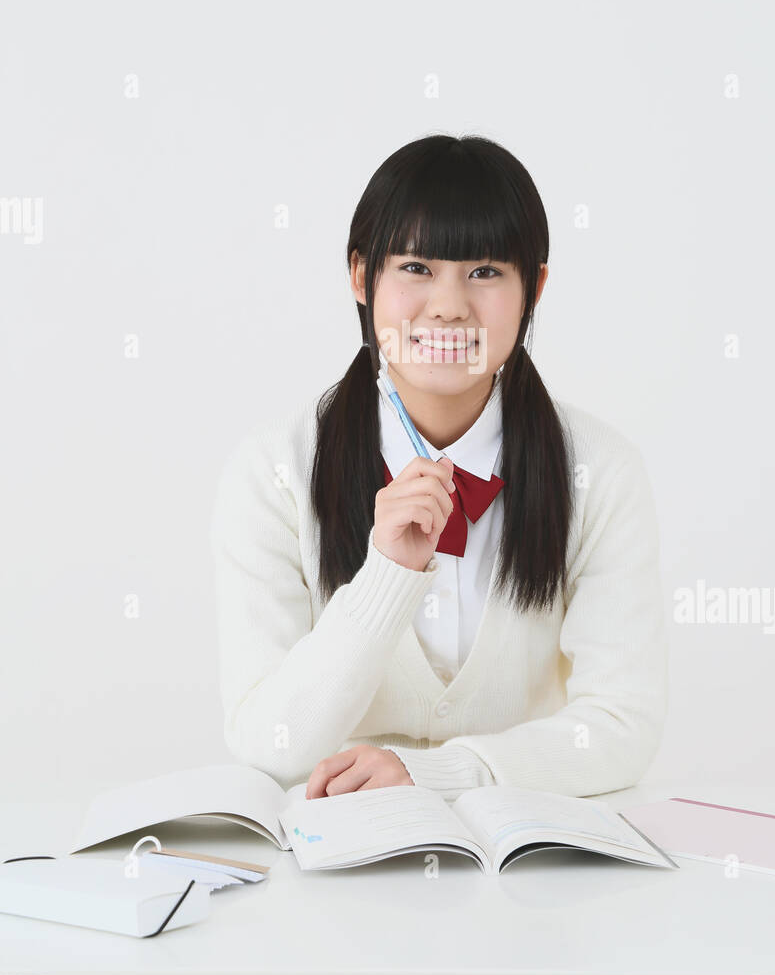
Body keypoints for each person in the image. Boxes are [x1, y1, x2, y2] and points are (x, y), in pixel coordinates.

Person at [210, 133, 667, 802]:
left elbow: (623, 724)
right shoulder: (273, 473)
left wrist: (443, 775)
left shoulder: (600, 472)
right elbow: (265, 743)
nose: (450, 305)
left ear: (534, 287)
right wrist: (386, 576)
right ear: (360, 276)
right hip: (341, 848)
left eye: (485, 272)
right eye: (417, 267)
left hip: (532, 852)